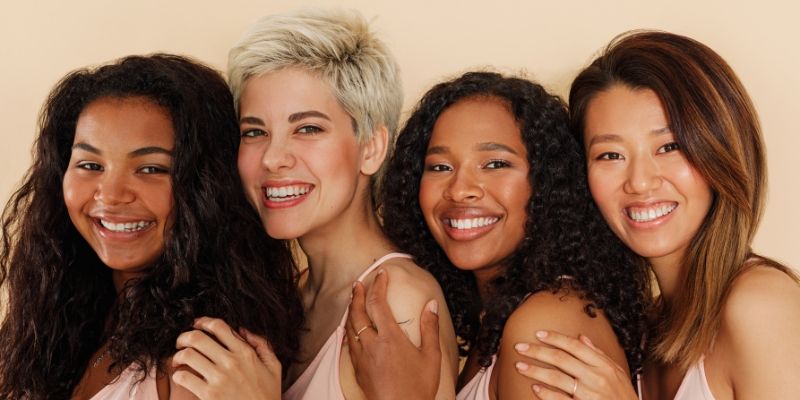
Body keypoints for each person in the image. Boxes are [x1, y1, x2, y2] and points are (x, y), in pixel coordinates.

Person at [171, 9, 459, 400]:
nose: (273, 158)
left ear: (371, 148)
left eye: (307, 128)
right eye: (255, 131)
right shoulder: (291, 293)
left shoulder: (396, 301)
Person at [512, 31, 800, 399]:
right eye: (610, 155)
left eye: (669, 146)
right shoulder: (648, 325)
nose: (640, 182)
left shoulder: (759, 304)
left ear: (721, 150)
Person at [0, 54, 303, 399]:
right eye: (89, 164)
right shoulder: (56, 324)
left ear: (207, 189)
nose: (111, 195)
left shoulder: (206, 360)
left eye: (151, 169)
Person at [346, 71, 651, 399]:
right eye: (440, 167)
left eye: (494, 164)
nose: (460, 190)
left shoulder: (543, 326)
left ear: (549, 183)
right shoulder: (503, 318)